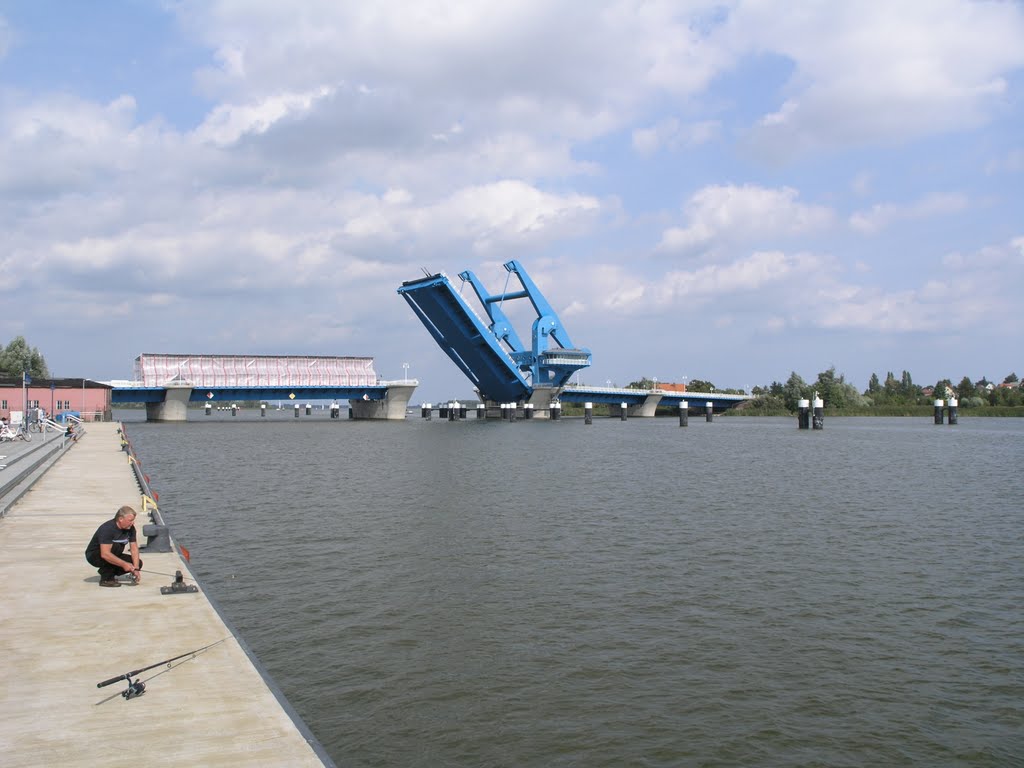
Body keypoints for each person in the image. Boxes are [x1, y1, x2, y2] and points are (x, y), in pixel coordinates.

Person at [85, 506, 143, 587]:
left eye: (133, 520)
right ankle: (106, 579)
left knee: (138, 563)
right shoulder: (108, 529)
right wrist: (124, 564)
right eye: (130, 520)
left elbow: (134, 549)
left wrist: (136, 568)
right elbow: (105, 554)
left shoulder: (131, 529)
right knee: (115, 547)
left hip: (114, 553)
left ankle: (107, 571)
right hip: (94, 555)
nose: (133, 523)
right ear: (120, 519)